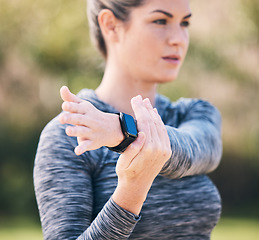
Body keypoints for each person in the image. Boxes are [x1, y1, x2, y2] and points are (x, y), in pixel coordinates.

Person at [33, 0, 223, 239]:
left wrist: (121, 132)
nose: (179, 39)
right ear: (111, 25)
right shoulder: (70, 134)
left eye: (184, 23)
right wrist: (131, 191)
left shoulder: (192, 113)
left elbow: (199, 150)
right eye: (161, 21)